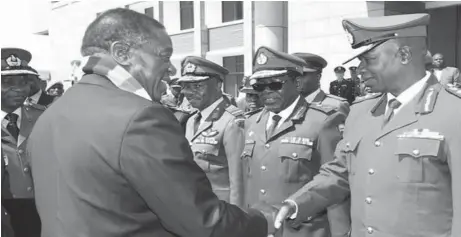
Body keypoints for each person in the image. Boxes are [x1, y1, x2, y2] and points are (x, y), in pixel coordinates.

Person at [28, 8, 273, 237]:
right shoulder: (142, 117)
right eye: (164, 57)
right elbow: (201, 221)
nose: (170, 69)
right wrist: (265, 221)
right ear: (122, 53)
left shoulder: (49, 116)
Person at [274, 13, 461, 237]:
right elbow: (340, 172)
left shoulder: (453, 112)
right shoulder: (361, 111)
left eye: (369, 59)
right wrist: (298, 203)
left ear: (404, 54)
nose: (360, 69)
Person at [242, 46, 351, 237]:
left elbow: (335, 184)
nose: (266, 92)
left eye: (275, 84)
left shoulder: (323, 121)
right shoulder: (251, 122)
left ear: (298, 83)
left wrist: (341, 233)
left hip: (303, 231)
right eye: (259, 86)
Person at [179, 56, 245, 208]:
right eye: (185, 86)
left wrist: (238, 218)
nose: (187, 92)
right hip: (196, 205)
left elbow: (238, 180)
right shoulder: (191, 120)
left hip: (222, 208)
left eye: (197, 86)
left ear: (218, 85)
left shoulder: (231, 122)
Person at [1, 47, 43, 237]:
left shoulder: (43, 116)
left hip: (42, 209)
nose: (18, 89)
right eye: (7, 82)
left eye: (23, 82)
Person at [292, 52, 350, 117]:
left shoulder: (337, 106)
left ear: (318, 77)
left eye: (302, 75)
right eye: (292, 75)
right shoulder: (287, 105)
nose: (296, 79)